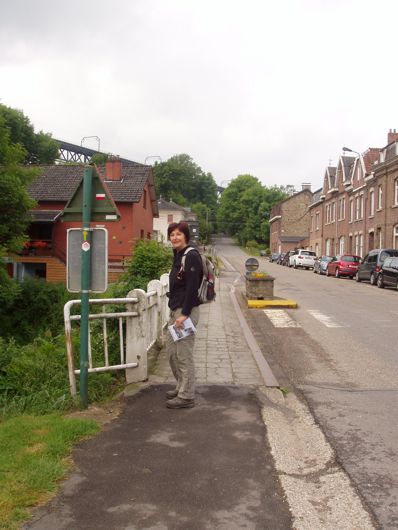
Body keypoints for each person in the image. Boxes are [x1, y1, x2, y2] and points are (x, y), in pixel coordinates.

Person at [165, 221, 202, 409]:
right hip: (176, 310)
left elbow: (192, 287)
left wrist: (185, 314)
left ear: (186, 236)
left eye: (178, 234)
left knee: (184, 354)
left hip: (185, 312)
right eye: (172, 234)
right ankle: (180, 386)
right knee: (171, 352)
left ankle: (187, 396)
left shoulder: (191, 256)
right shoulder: (178, 254)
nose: (175, 237)